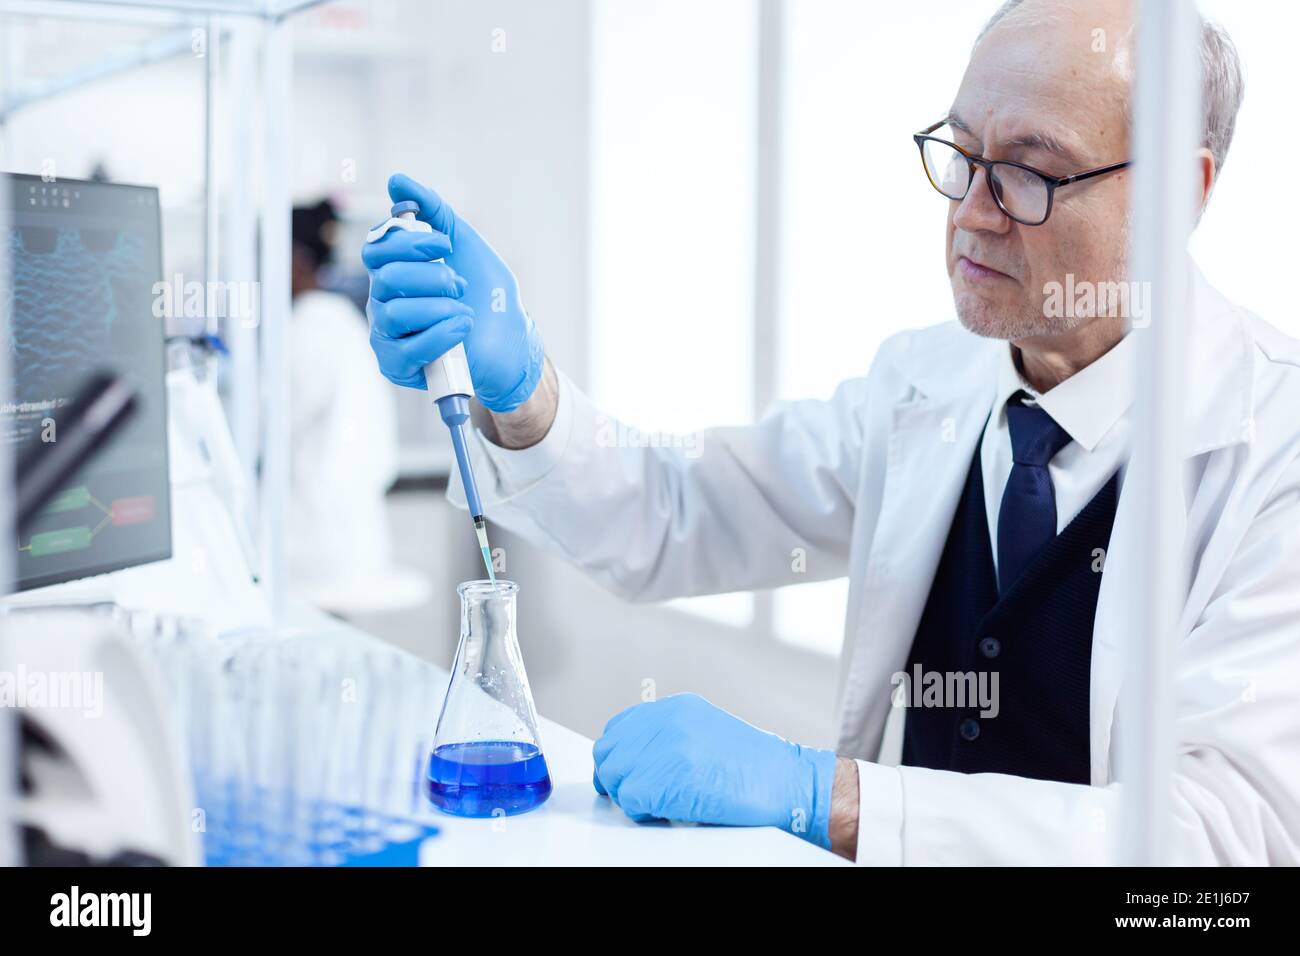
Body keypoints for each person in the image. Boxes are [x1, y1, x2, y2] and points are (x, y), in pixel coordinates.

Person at [360, 0, 1300, 864]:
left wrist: (831, 798)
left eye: (1028, 172)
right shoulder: (922, 385)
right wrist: (522, 392)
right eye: (961, 154)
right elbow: (683, 511)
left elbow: (1222, 844)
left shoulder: (1274, 448)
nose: (970, 213)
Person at [290, 199, 417, 613]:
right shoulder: (343, 322)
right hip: (355, 534)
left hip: (317, 541)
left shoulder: (307, 329)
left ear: (294, 259)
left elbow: (267, 428)